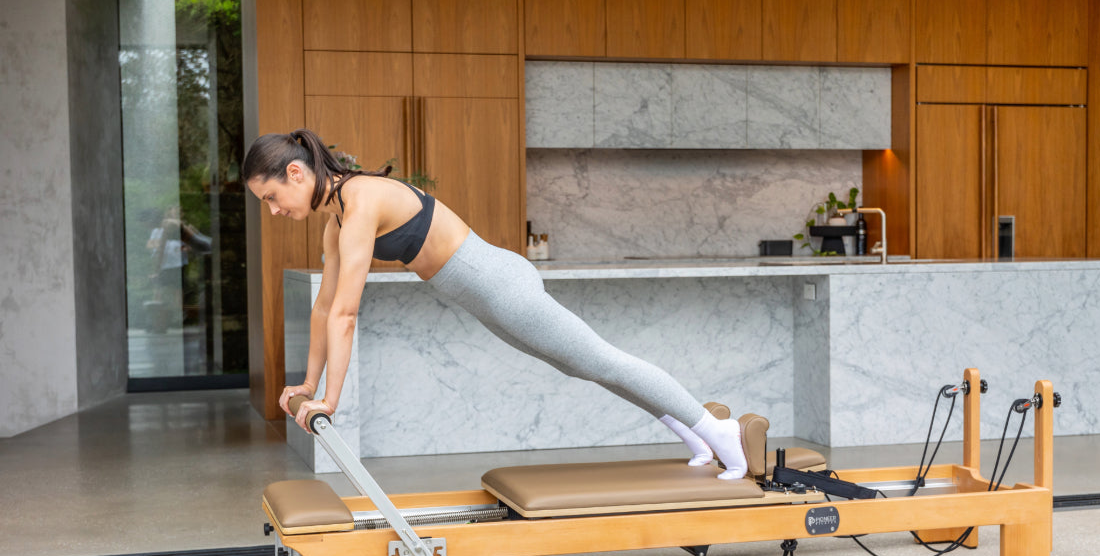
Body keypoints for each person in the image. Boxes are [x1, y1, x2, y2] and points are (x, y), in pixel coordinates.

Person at [243, 129, 749, 480]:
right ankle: (693, 433)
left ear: (295, 172)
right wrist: (308, 385)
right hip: (486, 299)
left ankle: (718, 429)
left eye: (270, 197)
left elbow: (347, 315)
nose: (273, 210)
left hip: (500, 286)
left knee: (599, 359)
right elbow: (323, 308)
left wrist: (331, 399)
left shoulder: (362, 201)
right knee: (584, 367)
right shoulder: (336, 222)